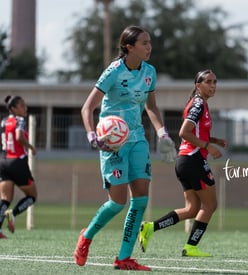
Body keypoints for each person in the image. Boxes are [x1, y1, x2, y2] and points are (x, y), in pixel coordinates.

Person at [73, 25, 176, 271]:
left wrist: (162, 133)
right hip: (112, 143)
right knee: (117, 202)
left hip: (138, 139)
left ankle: (124, 257)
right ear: (129, 47)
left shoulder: (150, 72)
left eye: (150, 42)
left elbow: (151, 106)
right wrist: (91, 135)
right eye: (144, 43)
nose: (149, 47)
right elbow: (87, 108)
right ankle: (86, 236)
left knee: (140, 200)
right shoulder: (113, 72)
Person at [138, 69, 226, 257]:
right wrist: (208, 146)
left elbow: (197, 132)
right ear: (198, 85)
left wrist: (215, 140)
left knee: (192, 209)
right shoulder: (198, 104)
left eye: (215, 82)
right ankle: (191, 246)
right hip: (193, 160)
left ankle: (150, 227)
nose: (213, 85)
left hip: (184, 161)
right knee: (210, 206)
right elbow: (184, 132)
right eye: (208, 82)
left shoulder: (200, 104)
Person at [0, 95, 37, 239]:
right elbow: (19, 137)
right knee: (32, 196)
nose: (25, 108)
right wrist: (31, 147)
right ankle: (12, 214)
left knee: (5, 199)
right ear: (13, 108)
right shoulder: (20, 120)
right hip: (18, 162)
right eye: (22, 105)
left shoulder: (3, 122)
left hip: (3, 161)